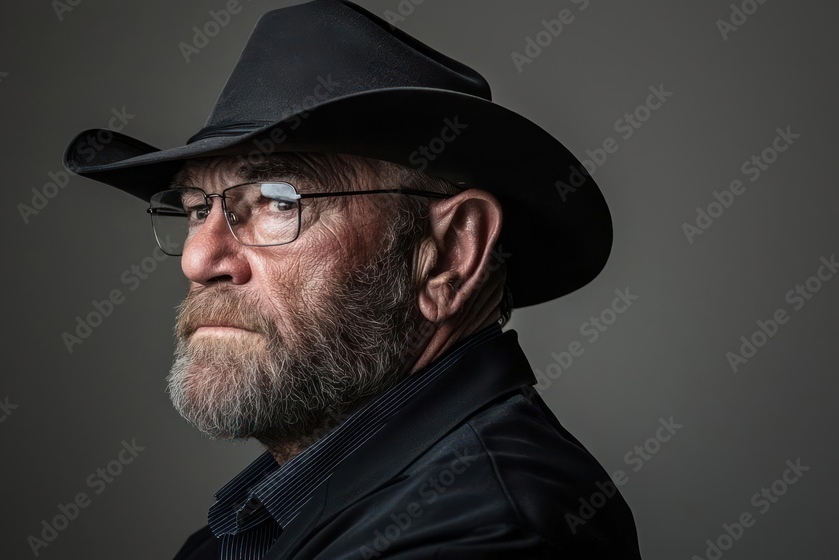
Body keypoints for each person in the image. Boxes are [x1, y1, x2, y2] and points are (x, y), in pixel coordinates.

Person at [63, 0, 641, 558]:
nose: (198, 259)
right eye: (196, 209)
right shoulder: (260, 525)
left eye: (279, 202)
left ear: (450, 254)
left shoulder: (482, 533)